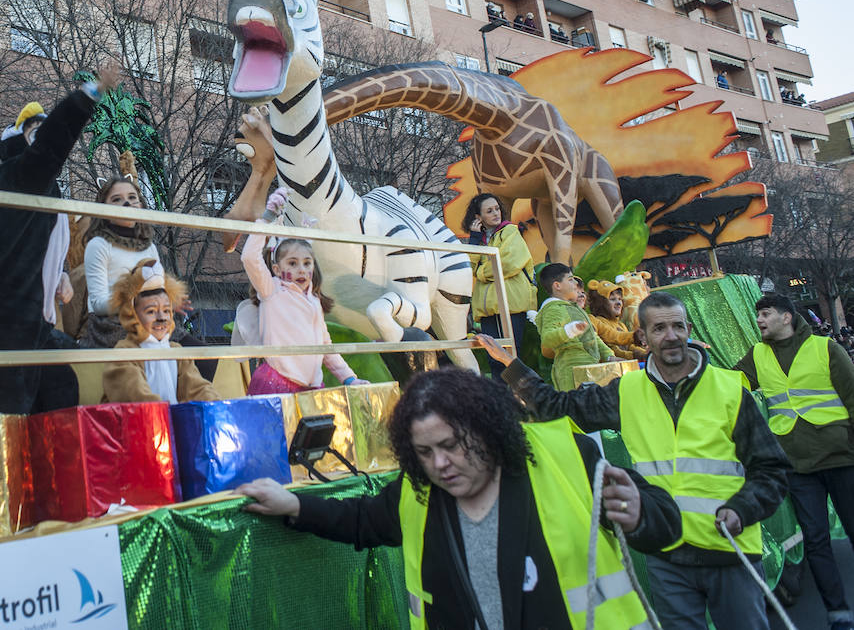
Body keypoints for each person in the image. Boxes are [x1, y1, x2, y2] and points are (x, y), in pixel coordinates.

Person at [239, 368, 677, 629]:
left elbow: (664, 521)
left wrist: (641, 515)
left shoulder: (568, 455)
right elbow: (363, 519)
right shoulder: (418, 492)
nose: (440, 464)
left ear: (487, 428)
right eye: (425, 452)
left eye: (451, 445)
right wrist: (294, 506)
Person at [479, 291, 790, 630]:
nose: (670, 336)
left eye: (677, 326)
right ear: (643, 335)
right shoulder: (626, 392)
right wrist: (512, 367)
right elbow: (558, 407)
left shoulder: (730, 390)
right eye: (658, 329)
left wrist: (742, 510)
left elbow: (771, 470)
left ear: (688, 329)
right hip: (665, 553)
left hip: (732, 554)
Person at [0, 61, 120, 415]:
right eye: (31, 133)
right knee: (11, 403)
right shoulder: (19, 175)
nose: (40, 142)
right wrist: (89, 95)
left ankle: (53, 464)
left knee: (60, 384)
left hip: (25, 316)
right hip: (2, 316)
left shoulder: (31, 192)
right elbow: (53, 140)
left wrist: (59, 272)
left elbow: (31, 245)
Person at [735, 294, 854, 630]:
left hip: (841, 458)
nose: (759, 320)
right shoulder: (758, 353)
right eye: (757, 314)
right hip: (797, 464)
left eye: (766, 314)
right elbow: (732, 384)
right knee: (816, 541)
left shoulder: (825, 348)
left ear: (786, 317)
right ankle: (838, 614)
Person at [242, 189, 365, 395]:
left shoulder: (314, 301)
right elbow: (249, 258)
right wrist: (266, 219)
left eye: (307, 263)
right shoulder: (271, 290)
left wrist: (349, 377)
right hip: (277, 385)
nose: (301, 269)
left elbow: (325, 346)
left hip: (310, 389)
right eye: (292, 263)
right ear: (276, 269)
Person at [101, 261, 219, 405]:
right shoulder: (125, 352)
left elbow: (197, 387)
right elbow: (136, 396)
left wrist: (217, 406)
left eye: (166, 311)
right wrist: (167, 416)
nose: (161, 318)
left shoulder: (176, 351)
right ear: (133, 314)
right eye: (151, 311)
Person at [80, 171, 161, 349]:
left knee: (201, 357)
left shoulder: (150, 247)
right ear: (104, 208)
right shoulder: (99, 245)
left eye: (132, 197)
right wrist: (135, 303)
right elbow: (98, 304)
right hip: (112, 326)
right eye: (116, 199)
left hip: (154, 321)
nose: (126, 203)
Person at [463, 193, 534, 379]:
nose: (496, 213)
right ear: (478, 217)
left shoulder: (510, 231)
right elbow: (467, 268)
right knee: (493, 359)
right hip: (488, 311)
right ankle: (501, 402)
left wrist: (481, 272)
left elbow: (509, 264)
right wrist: (474, 241)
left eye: (496, 209)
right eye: (489, 211)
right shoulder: (479, 239)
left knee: (510, 357)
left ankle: (517, 401)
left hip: (511, 305)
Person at [536, 263, 612, 390]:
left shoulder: (573, 308)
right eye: (570, 280)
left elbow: (592, 336)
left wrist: (609, 356)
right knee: (574, 408)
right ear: (557, 286)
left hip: (588, 369)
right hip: (571, 373)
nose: (576, 284)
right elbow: (548, 338)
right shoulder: (553, 309)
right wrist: (571, 330)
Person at [586, 278, 647, 360]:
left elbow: (631, 347)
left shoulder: (621, 325)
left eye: (620, 299)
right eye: (612, 299)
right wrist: (635, 355)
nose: (618, 303)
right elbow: (614, 347)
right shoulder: (597, 321)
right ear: (600, 303)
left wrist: (645, 354)